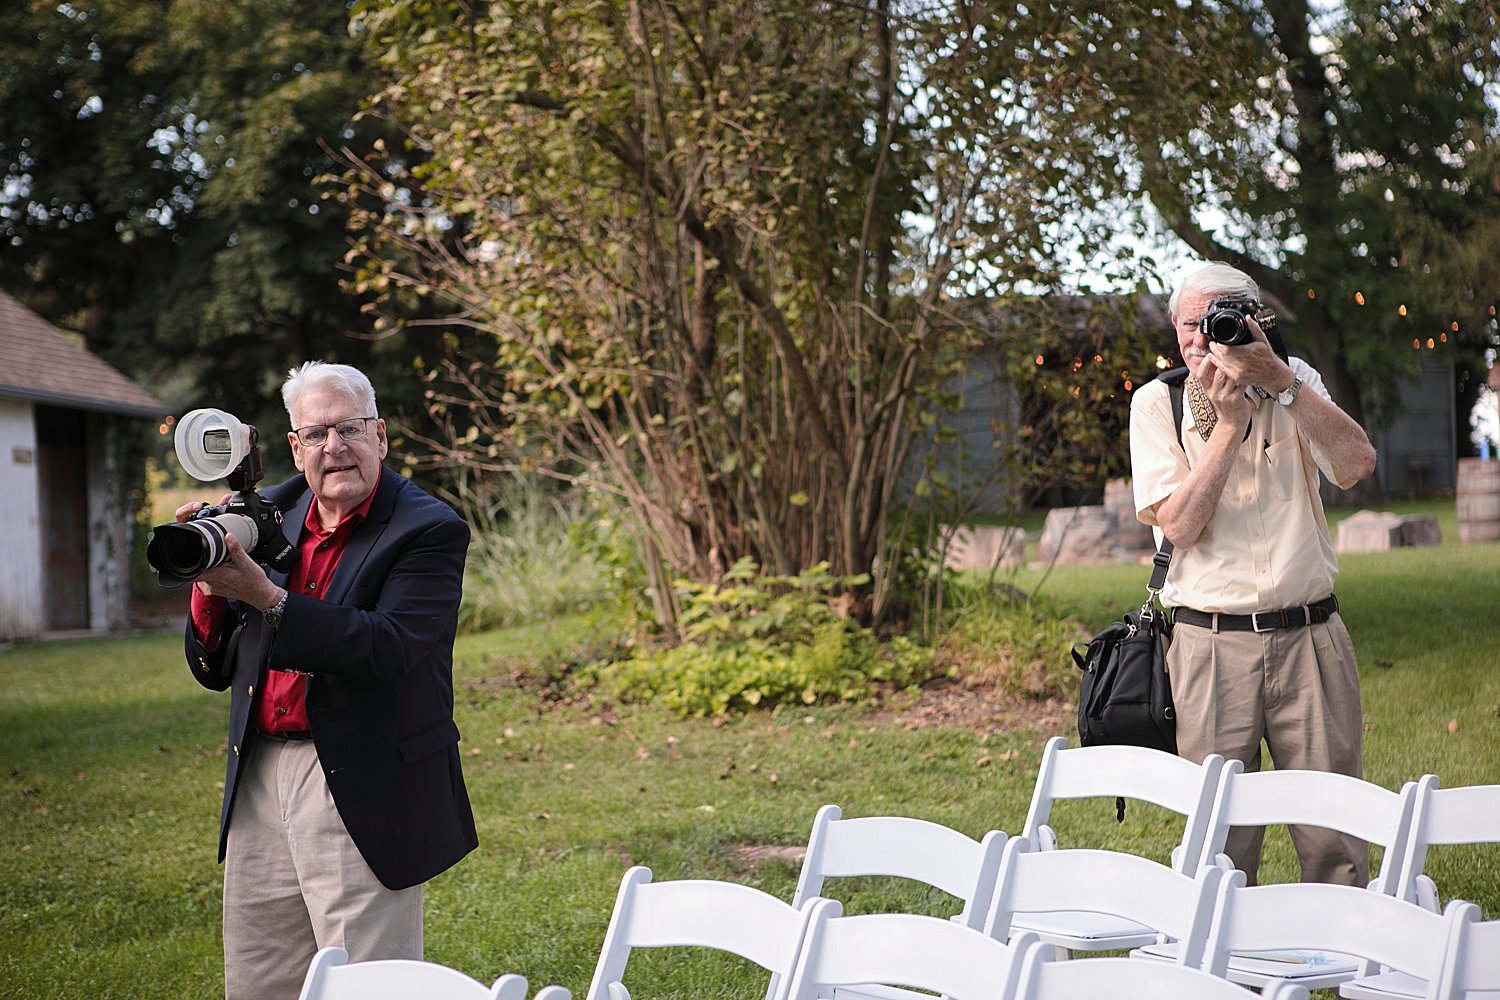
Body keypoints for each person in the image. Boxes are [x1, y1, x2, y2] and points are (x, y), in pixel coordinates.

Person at [178, 361, 476, 1000]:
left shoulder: (426, 529)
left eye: (349, 429)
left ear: (382, 435)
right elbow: (215, 667)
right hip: (260, 776)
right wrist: (208, 587)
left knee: (365, 980)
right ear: (294, 446)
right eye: (315, 435)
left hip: (359, 770)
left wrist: (265, 596)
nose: (334, 448)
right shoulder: (265, 513)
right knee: (260, 977)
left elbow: (389, 648)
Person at [1129, 262, 1378, 886]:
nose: (1202, 339)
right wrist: (1230, 426)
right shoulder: (1157, 402)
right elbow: (1179, 527)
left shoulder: (1296, 382)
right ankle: (1224, 974)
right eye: (1191, 325)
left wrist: (1281, 383)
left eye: (1219, 322)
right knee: (1217, 842)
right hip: (1208, 645)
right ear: (1176, 331)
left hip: (1309, 638)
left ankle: (1344, 968)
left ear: (1254, 323)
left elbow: (1358, 463)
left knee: (1334, 834)